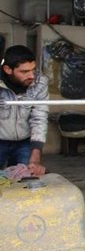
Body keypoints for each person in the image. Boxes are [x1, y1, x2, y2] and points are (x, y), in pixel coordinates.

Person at [0, 45, 48, 176]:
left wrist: (36, 155)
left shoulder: (40, 83)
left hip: (25, 141)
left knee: (27, 178)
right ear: (7, 69)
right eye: (24, 72)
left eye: (33, 70)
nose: (31, 76)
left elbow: (40, 117)